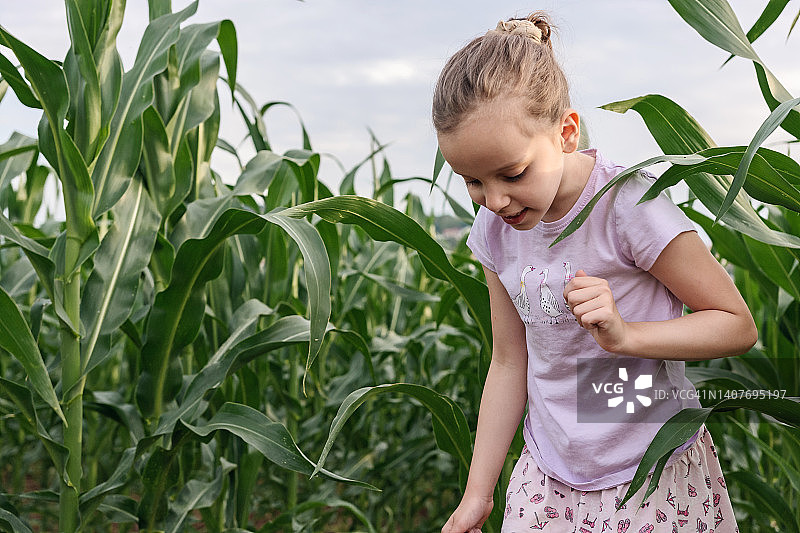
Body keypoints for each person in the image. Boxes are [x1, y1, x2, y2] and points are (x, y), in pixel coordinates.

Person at [433, 13, 758, 533]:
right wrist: (478, 492)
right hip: (550, 475)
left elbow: (736, 324)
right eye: (472, 181)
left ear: (566, 132)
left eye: (512, 174)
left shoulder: (628, 206)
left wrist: (627, 335)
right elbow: (508, 362)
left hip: (650, 468)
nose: (494, 200)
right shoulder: (494, 231)